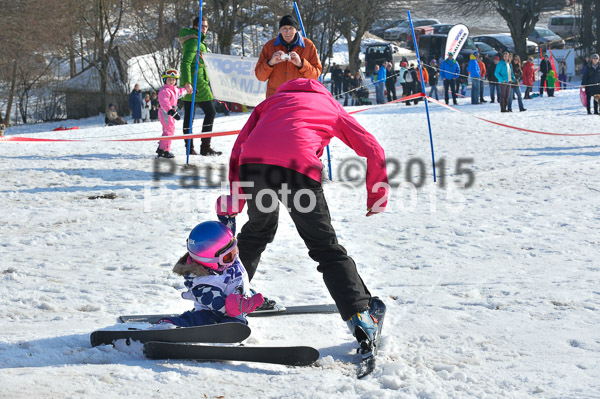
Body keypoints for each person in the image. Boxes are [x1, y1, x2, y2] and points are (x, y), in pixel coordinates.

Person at [222, 78, 388, 345]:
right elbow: (372, 148)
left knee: (256, 232)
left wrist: (237, 199)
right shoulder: (329, 104)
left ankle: (226, 300)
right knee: (324, 246)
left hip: (254, 167)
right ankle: (361, 317)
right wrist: (377, 196)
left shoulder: (271, 102)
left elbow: (239, 147)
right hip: (297, 169)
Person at [152, 221, 264, 329]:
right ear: (209, 261)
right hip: (215, 311)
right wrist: (245, 304)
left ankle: (232, 324)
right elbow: (220, 305)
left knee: (237, 320)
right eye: (229, 256)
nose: (235, 257)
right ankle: (171, 324)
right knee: (203, 320)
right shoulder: (202, 284)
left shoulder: (226, 260)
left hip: (237, 305)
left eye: (235, 249)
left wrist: (249, 295)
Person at [179, 17, 220, 156]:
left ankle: (201, 147)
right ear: (195, 27)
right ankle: (195, 148)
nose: (204, 28)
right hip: (194, 82)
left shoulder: (199, 42)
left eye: (206, 26)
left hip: (201, 81)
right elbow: (185, 63)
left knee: (194, 115)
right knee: (205, 113)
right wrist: (187, 82)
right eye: (202, 26)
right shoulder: (193, 41)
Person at [255, 15, 322, 99]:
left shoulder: (308, 45)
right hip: (276, 98)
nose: (287, 31)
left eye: (291, 28)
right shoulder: (269, 46)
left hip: (300, 98)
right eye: (284, 28)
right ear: (280, 30)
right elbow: (260, 76)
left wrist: (301, 64)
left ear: (296, 29)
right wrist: (270, 63)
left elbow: (315, 76)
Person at [156, 69, 193, 159]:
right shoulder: (164, 91)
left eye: (173, 80)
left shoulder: (175, 90)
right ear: (165, 80)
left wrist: (190, 90)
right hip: (166, 112)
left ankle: (161, 148)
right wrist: (171, 111)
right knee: (169, 130)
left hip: (171, 112)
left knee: (169, 130)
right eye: (169, 80)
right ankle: (165, 151)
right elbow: (164, 103)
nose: (172, 82)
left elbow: (181, 91)